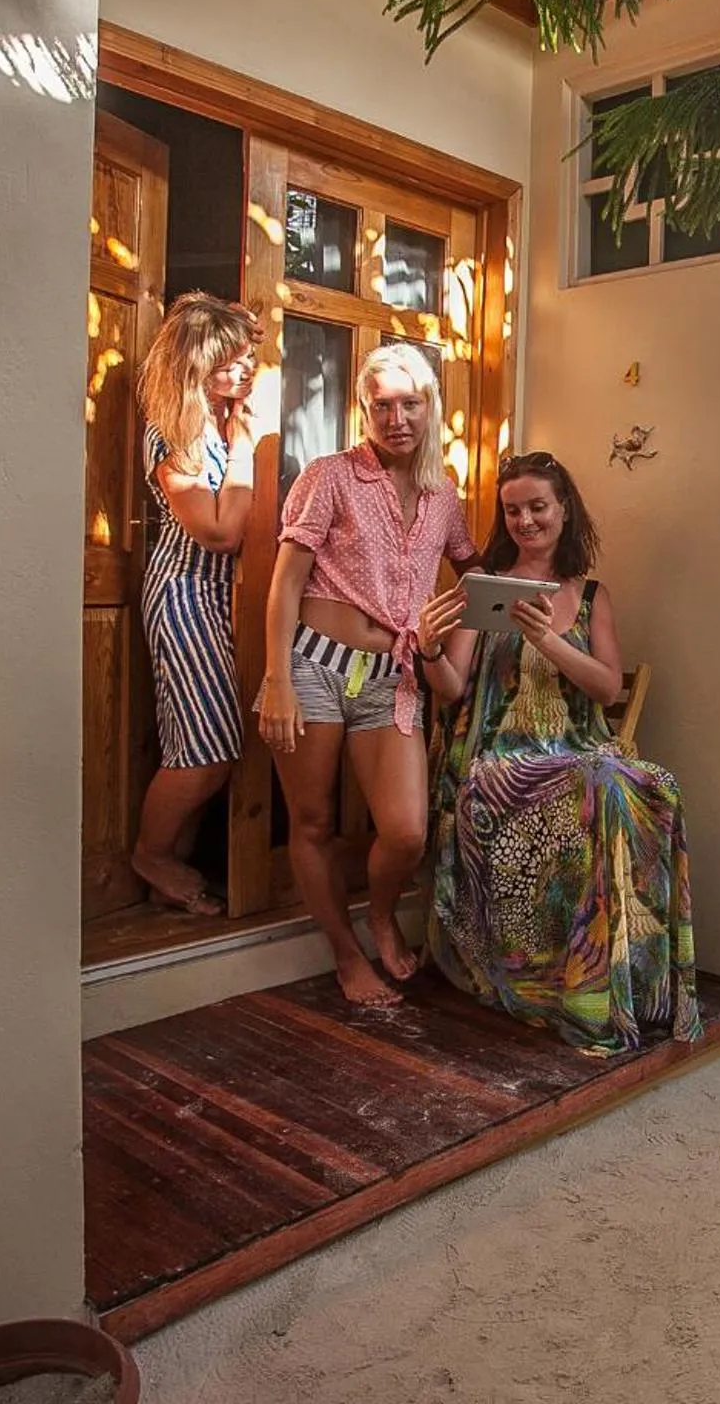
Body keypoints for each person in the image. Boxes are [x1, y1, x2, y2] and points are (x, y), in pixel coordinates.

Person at [414, 451, 702, 1055]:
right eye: (512, 510)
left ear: (564, 510)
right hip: (499, 765)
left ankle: (634, 984)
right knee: (599, 783)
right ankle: (578, 994)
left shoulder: (592, 596)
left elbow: (604, 685)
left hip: (577, 752)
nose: (525, 520)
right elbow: (453, 692)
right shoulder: (484, 588)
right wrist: (429, 651)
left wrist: (546, 639)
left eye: (537, 507)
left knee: (654, 785)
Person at [259, 344, 477, 1006]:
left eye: (410, 403)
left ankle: (381, 914)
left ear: (431, 406)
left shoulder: (444, 495)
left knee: (407, 830)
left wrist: (528, 607)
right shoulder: (329, 476)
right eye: (381, 405)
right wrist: (277, 679)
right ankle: (346, 953)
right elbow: (286, 583)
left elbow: (474, 578)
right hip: (315, 668)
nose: (397, 417)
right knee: (315, 820)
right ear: (364, 410)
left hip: (395, 676)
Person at [131, 292, 263, 915]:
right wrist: (246, 447)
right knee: (209, 750)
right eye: (226, 363)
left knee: (200, 741)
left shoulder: (218, 420)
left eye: (246, 359)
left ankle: (168, 869)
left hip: (222, 599)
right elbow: (217, 531)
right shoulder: (174, 429)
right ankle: (149, 855)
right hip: (184, 593)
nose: (242, 371)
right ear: (192, 365)